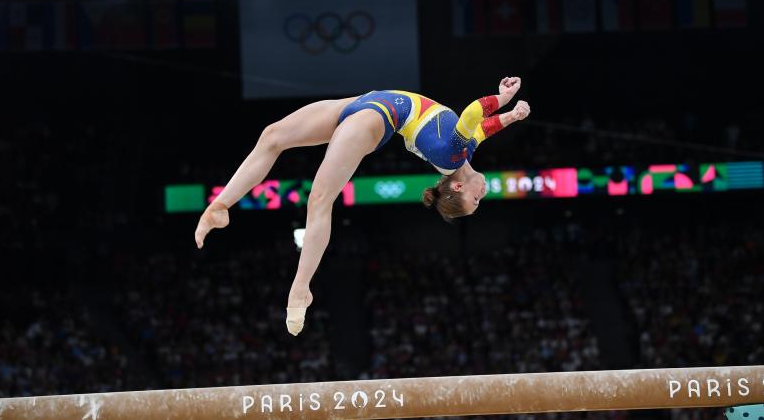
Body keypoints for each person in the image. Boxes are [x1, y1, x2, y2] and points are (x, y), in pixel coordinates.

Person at [193, 77, 530, 335]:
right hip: (366, 103)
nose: (483, 193)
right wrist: (511, 115)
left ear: (457, 186)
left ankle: (300, 289)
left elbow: (472, 112)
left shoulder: (454, 155)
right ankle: (221, 205)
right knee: (272, 136)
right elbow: (480, 128)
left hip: (376, 117)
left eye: (476, 199)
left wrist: (502, 98)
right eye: (479, 199)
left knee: (320, 199)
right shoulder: (464, 152)